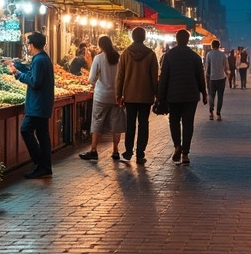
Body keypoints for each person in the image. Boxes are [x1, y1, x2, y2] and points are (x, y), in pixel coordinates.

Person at [8, 32, 55, 179]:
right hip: (42, 104)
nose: (28, 46)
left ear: (32, 45)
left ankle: (40, 164)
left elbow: (35, 82)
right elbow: (34, 75)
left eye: (28, 44)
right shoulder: (43, 58)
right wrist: (20, 67)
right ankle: (45, 167)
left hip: (37, 105)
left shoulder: (39, 60)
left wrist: (18, 75)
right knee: (42, 135)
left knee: (26, 130)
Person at [157, 29, 207, 165]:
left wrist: (160, 95)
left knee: (174, 121)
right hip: (191, 96)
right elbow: (200, 77)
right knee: (188, 124)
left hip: (173, 95)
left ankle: (177, 146)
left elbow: (164, 77)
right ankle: (185, 154)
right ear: (188, 40)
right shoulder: (195, 57)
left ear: (177, 39)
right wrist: (204, 93)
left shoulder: (168, 56)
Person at [115, 27, 159, 164]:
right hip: (146, 96)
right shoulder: (151, 54)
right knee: (143, 124)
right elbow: (154, 77)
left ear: (132, 37)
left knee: (130, 124)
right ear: (144, 38)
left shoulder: (126, 53)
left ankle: (128, 152)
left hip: (130, 95)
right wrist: (157, 94)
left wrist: (118, 93)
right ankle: (140, 154)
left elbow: (120, 76)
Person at [80, 35, 126, 162]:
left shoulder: (98, 58)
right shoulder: (119, 58)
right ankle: (116, 151)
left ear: (100, 46)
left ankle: (93, 150)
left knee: (97, 121)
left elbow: (91, 79)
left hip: (101, 96)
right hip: (116, 95)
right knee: (116, 123)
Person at [204, 39, 228, 121]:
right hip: (221, 78)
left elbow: (207, 67)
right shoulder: (223, 55)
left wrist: (206, 76)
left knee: (211, 95)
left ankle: (211, 112)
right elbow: (226, 67)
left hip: (212, 78)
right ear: (219, 46)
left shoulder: (209, 54)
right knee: (220, 97)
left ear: (212, 46)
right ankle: (218, 114)